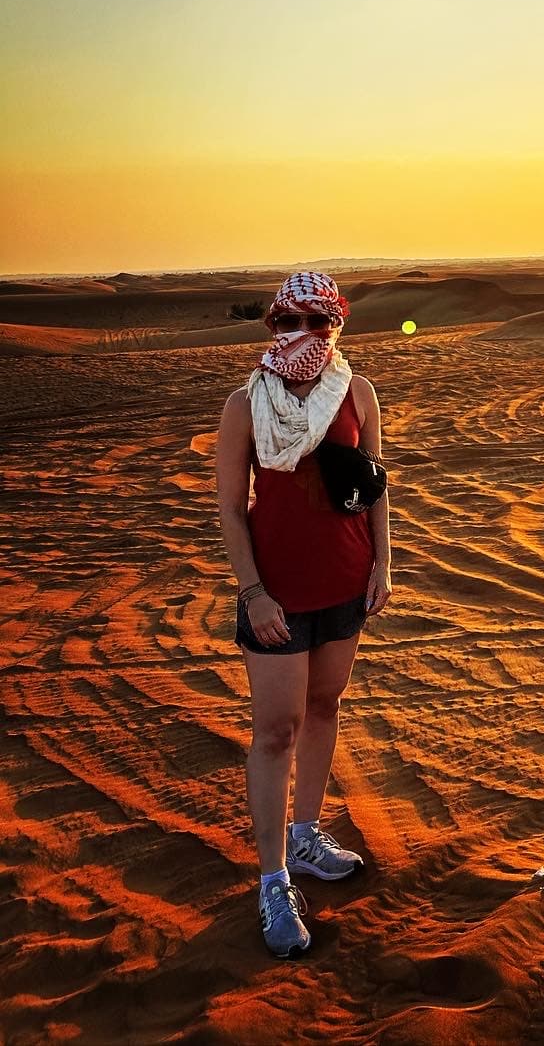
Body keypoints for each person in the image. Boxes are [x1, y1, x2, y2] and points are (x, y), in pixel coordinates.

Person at [214, 270, 393, 958]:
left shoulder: (357, 391)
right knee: (275, 730)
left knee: (324, 707)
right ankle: (273, 880)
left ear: (335, 325)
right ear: (274, 325)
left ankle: (306, 834)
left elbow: (375, 484)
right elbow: (232, 509)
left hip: (345, 580)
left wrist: (383, 563)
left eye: (320, 322)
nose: (306, 335)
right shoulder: (245, 403)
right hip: (277, 592)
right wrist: (253, 592)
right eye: (293, 321)